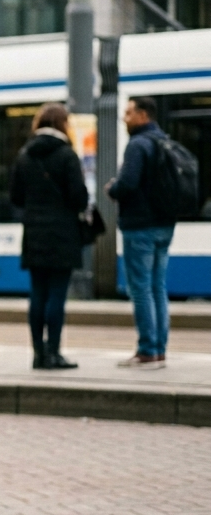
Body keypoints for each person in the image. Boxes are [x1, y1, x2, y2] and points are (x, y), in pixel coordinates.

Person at [9, 103, 88, 370]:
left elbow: (16, 197)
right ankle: (53, 353)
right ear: (62, 124)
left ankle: (37, 353)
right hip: (63, 233)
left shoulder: (24, 154)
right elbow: (79, 198)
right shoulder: (67, 155)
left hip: (34, 232)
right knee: (57, 294)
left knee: (38, 294)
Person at [107, 95, 175, 369]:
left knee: (141, 289)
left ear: (143, 115)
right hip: (164, 224)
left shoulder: (137, 145)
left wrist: (112, 188)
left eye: (129, 112)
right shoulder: (164, 141)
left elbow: (127, 184)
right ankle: (159, 349)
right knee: (158, 287)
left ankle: (147, 350)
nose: (125, 118)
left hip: (140, 226)